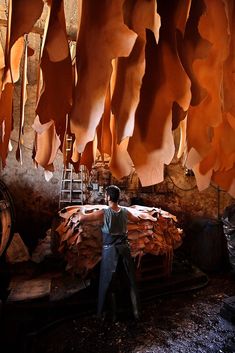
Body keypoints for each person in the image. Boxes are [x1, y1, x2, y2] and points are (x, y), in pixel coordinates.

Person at [78, 185, 140, 320]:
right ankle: (135, 312)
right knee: (129, 280)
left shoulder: (104, 212)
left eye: (105, 195)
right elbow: (137, 219)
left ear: (108, 197)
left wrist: (82, 209)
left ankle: (109, 314)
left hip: (110, 250)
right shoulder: (125, 211)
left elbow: (82, 218)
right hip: (124, 249)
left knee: (108, 281)